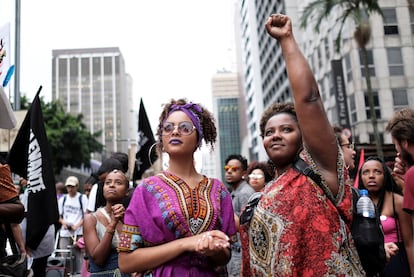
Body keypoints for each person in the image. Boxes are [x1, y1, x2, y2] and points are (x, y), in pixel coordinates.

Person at [240, 14, 364, 276]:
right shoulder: (256, 199)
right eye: (269, 132)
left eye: (286, 129)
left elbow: (309, 99)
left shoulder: (319, 169)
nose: (275, 135)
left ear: (303, 136)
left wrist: (286, 39)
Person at [118, 99, 237, 276]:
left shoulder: (218, 190)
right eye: (168, 128)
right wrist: (185, 244)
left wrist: (214, 250)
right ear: (162, 139)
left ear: (198, 138)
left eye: (185, 127)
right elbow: (126, 262)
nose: (175, 131)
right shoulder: (146, 189)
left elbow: (225, 257)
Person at [357, 156, 414, 276]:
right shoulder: (356, 202)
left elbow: (410, 243)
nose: (371, 176)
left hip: (396, 261)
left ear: (385, 176)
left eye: (377, 172)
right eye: (366, 172)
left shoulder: (397, 201)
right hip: (368, 262)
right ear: (361, 177)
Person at [83, 169, 131, 276]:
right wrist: (112, 224)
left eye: (118, 183)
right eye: (108, 183)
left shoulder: (131, 219)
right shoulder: (91, 219)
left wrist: (125, 222)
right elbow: (98, 259)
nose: (112, 186)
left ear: (127, 191)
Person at [224, 154, 254, 276]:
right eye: (227, 168)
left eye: (235, 169)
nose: (229, 172)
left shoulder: (245, 193)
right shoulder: (235, 192)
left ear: (244, 173)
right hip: (235, 252)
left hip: (242, 254)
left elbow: (249, 228)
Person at [57, 175, 88, 274]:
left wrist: (77, 225)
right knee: (64, 257)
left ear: (77, 186)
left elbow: (86, 215)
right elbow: (58, 215)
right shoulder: (63, 199)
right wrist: (64, 223)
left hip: (78, 233)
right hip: (65, 232)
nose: (70, 189)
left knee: (79, 257)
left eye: (72, 186)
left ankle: (79, 274)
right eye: (68, 186)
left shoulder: (82, 198)